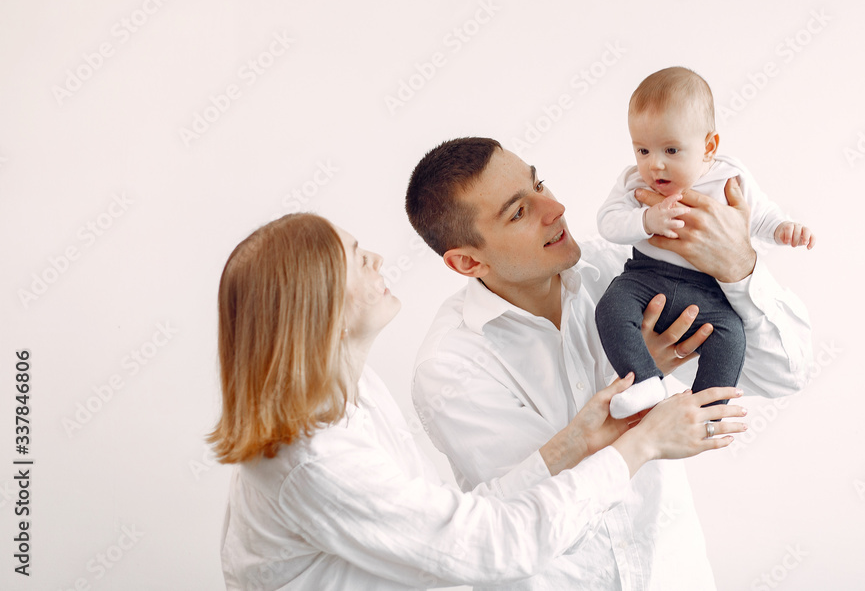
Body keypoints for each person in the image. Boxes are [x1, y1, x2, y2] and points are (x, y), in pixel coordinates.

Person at [209, 212, 747, 591]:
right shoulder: (315, 459)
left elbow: (464, 519)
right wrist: (640, 446)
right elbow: (488, 547)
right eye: (353, 256)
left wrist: (577, 440)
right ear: (314, 302)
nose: (374, 255)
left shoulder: (352, 393)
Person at [406, 137, 813, 589]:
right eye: (518, 211)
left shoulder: (631, 267)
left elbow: (784, 373)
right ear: (467, 262)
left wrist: (739, 267)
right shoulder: (450, 366)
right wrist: (637, 368)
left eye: (539, 182)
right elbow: (532, 524)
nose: (555, 207)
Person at [595, 66, 816, 419]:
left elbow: (760, 215)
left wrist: (782, 228)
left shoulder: (729, 176)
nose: (655, 166)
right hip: (645, 277)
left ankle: (708, 411)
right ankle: (645, 383)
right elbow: (607, 223)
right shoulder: (634, 182)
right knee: (610, 307)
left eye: (671, 149)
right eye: (643, 150)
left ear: (709, 146)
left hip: (707, 290)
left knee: (731, 337)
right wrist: (645, 219)